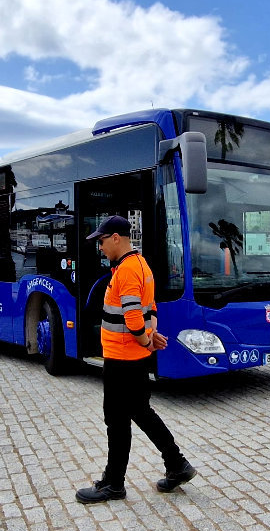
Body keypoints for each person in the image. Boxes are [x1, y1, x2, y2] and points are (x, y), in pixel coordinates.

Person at [75, 215, 197, 504]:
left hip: (122, 360)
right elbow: (150, 307)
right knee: (141, 412)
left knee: (117, 420)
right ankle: (177, 464)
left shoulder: (127, 270)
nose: (100, 247)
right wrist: (150, 335)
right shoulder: (141, 266)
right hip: (135, 358)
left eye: (102, 241)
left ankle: (114, 485)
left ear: (116, 238)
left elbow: (132, 318)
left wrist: (144, 338)